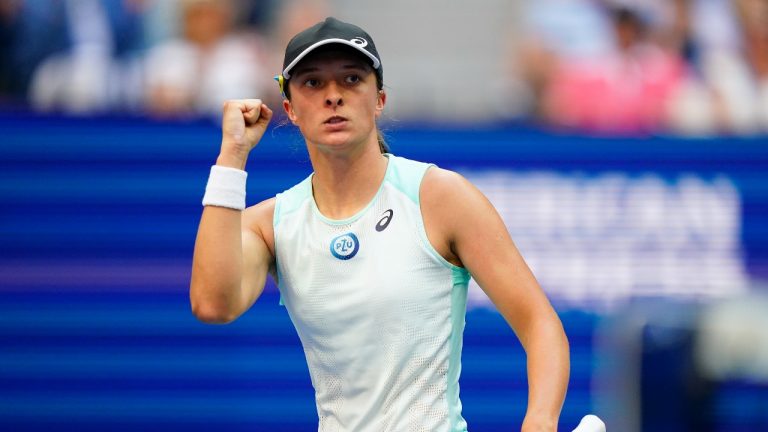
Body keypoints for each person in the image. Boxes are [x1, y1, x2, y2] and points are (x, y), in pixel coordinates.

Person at [190, 17, 569, 431]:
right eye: (313, 83)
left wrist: (541, 419)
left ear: (379, 100)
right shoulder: (270, 224)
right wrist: (232, 155)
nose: (333, 96)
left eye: (351, 79)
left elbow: (540, 324)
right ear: (290, 109)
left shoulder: (440, 197)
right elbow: (213, 305)